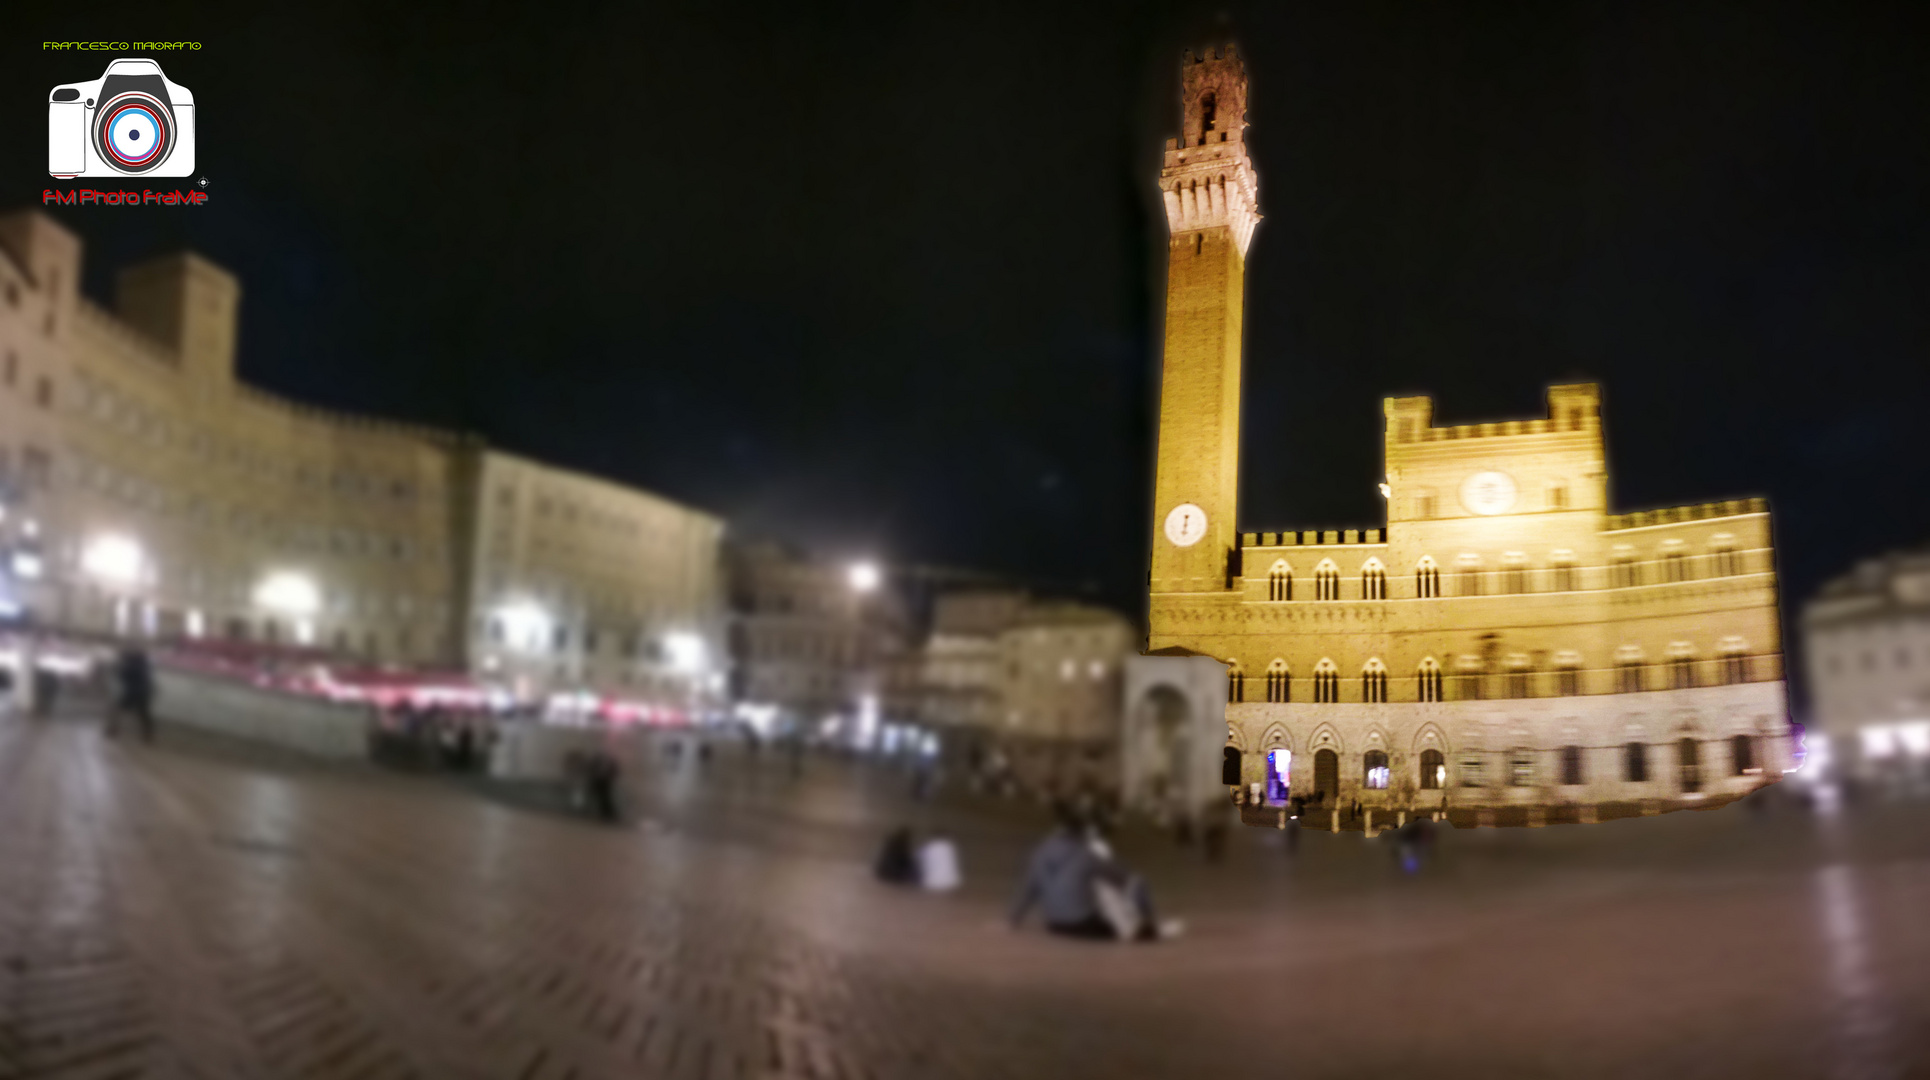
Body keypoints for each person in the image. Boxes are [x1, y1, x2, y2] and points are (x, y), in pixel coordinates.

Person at [1010, 804, 1178, 943]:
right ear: (1080, 835)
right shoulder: (1084, 853)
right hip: (1084, 925)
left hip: (1054, 925)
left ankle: (1139, 925)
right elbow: (1123, 877)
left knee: (1094, 881)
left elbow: (1028, 891)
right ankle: (1147, 927)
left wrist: (1014, 918)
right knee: (1127, 881)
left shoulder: (1040, 852)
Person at [114, 648, 156, 743]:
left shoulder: (131, 666)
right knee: (143, 714)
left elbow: (122, 676)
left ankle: (113, 729)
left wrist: (119, 668)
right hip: (144, 692)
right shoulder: (144, 665)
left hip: (133, 692)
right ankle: (148, 735)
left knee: (118, 709)